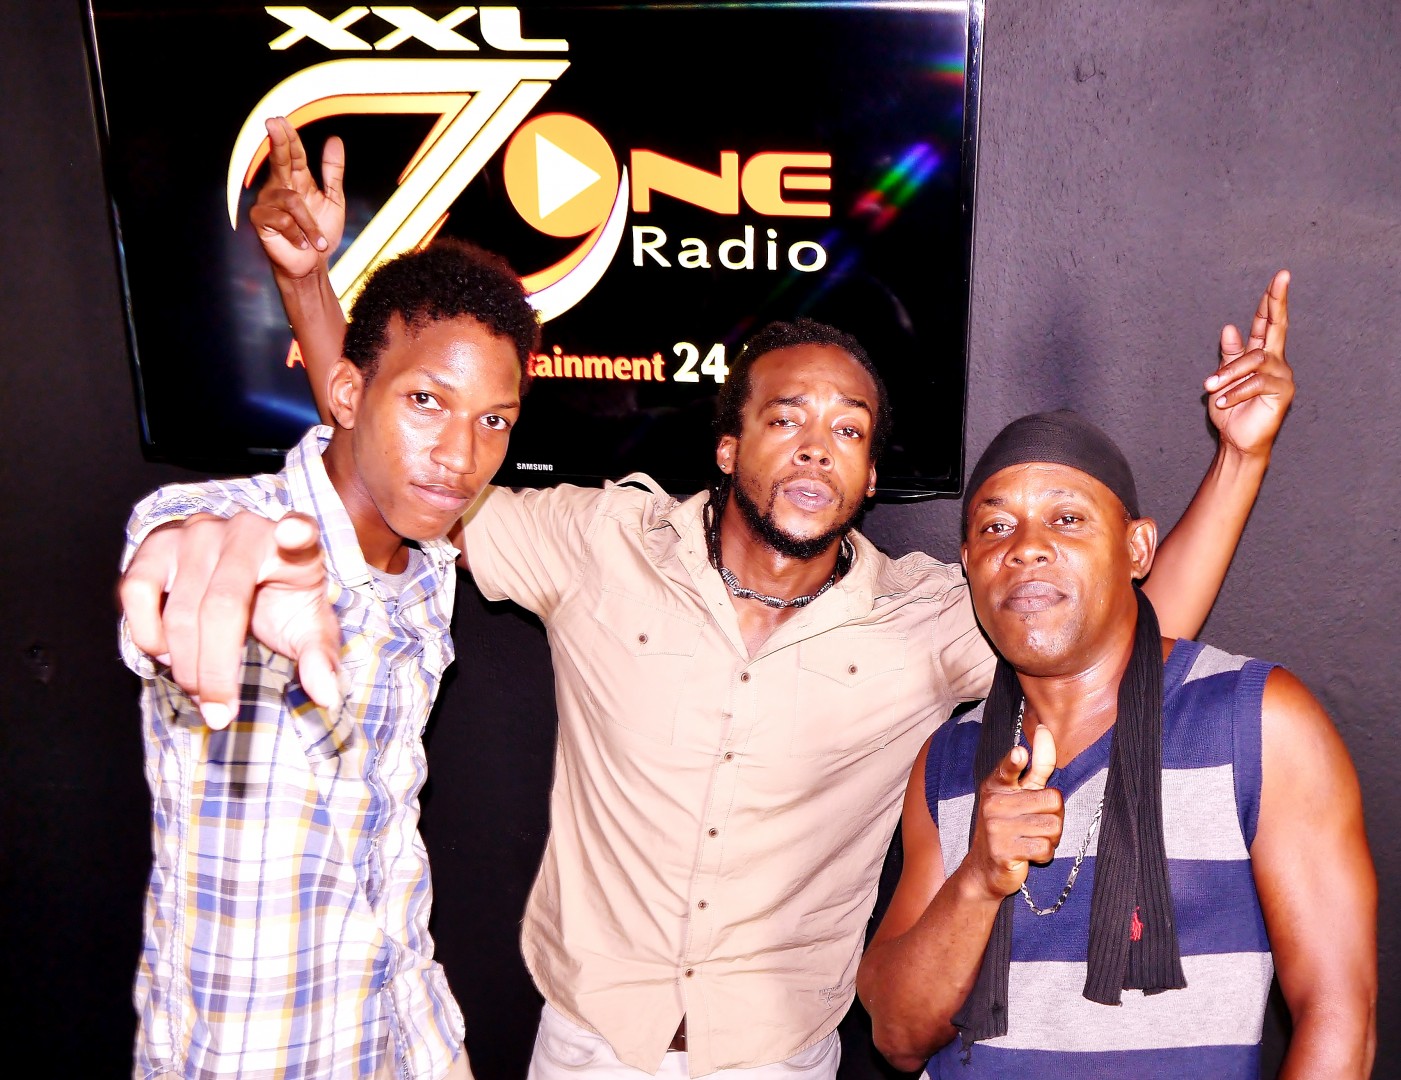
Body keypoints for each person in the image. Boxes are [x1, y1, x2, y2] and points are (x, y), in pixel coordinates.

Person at [120, 118, 1296, 1078]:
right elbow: (398, 469)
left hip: (778, 1060)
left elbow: (1121, 633)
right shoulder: (597, 542)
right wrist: (309, 302)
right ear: (729, 447)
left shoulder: (930, 619)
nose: (816, 445)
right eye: (785, 418)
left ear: (871, 478)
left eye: (848, 431)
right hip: (587, 1046)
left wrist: (1240, 459)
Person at [118, 231, 541, 1079]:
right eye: (426, 401)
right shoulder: (233, 521)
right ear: (346, 392)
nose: (461, 457)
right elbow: (188, 550)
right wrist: (201, 562)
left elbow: (384, 837)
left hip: (403, 1031)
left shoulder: (430, 569)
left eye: (492, 420)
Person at [855, 411, 1377, 1078]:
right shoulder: (948, 760)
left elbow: (1339, 1014)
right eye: (995, 526)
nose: (1026, 547)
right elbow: (897, 1036)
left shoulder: (1255, 720)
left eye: (1066, 518)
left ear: (1137, 549)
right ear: (968, 566)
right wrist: (978, 879)